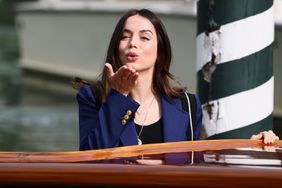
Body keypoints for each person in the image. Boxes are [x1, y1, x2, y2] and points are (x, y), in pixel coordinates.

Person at [74, 9, 279, 151]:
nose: (132, 43)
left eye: (144, 37)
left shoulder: (187, 104)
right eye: (125, 36)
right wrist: (118, 96)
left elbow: (198, 161)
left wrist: (248, 146)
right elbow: (91, 155)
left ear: (160, 52)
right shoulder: (93, 97)